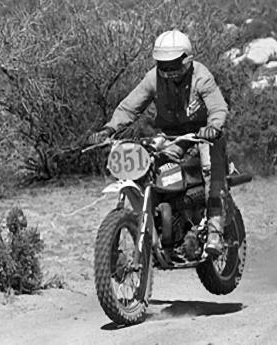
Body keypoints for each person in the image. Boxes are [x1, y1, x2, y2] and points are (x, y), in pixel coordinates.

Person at [88, 29, 229, 256]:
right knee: (150, 163)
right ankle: (162, 222)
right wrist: (109, 128)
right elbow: (130, 106)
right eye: (164, 64)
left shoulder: (202, 77)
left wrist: (213, 127)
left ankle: (214, 231)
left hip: (203, 134)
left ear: (187, 59)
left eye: (173, 64)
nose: (168, 70)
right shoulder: (153, 78)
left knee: (210, 169)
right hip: (171, 135)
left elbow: (218, 107)